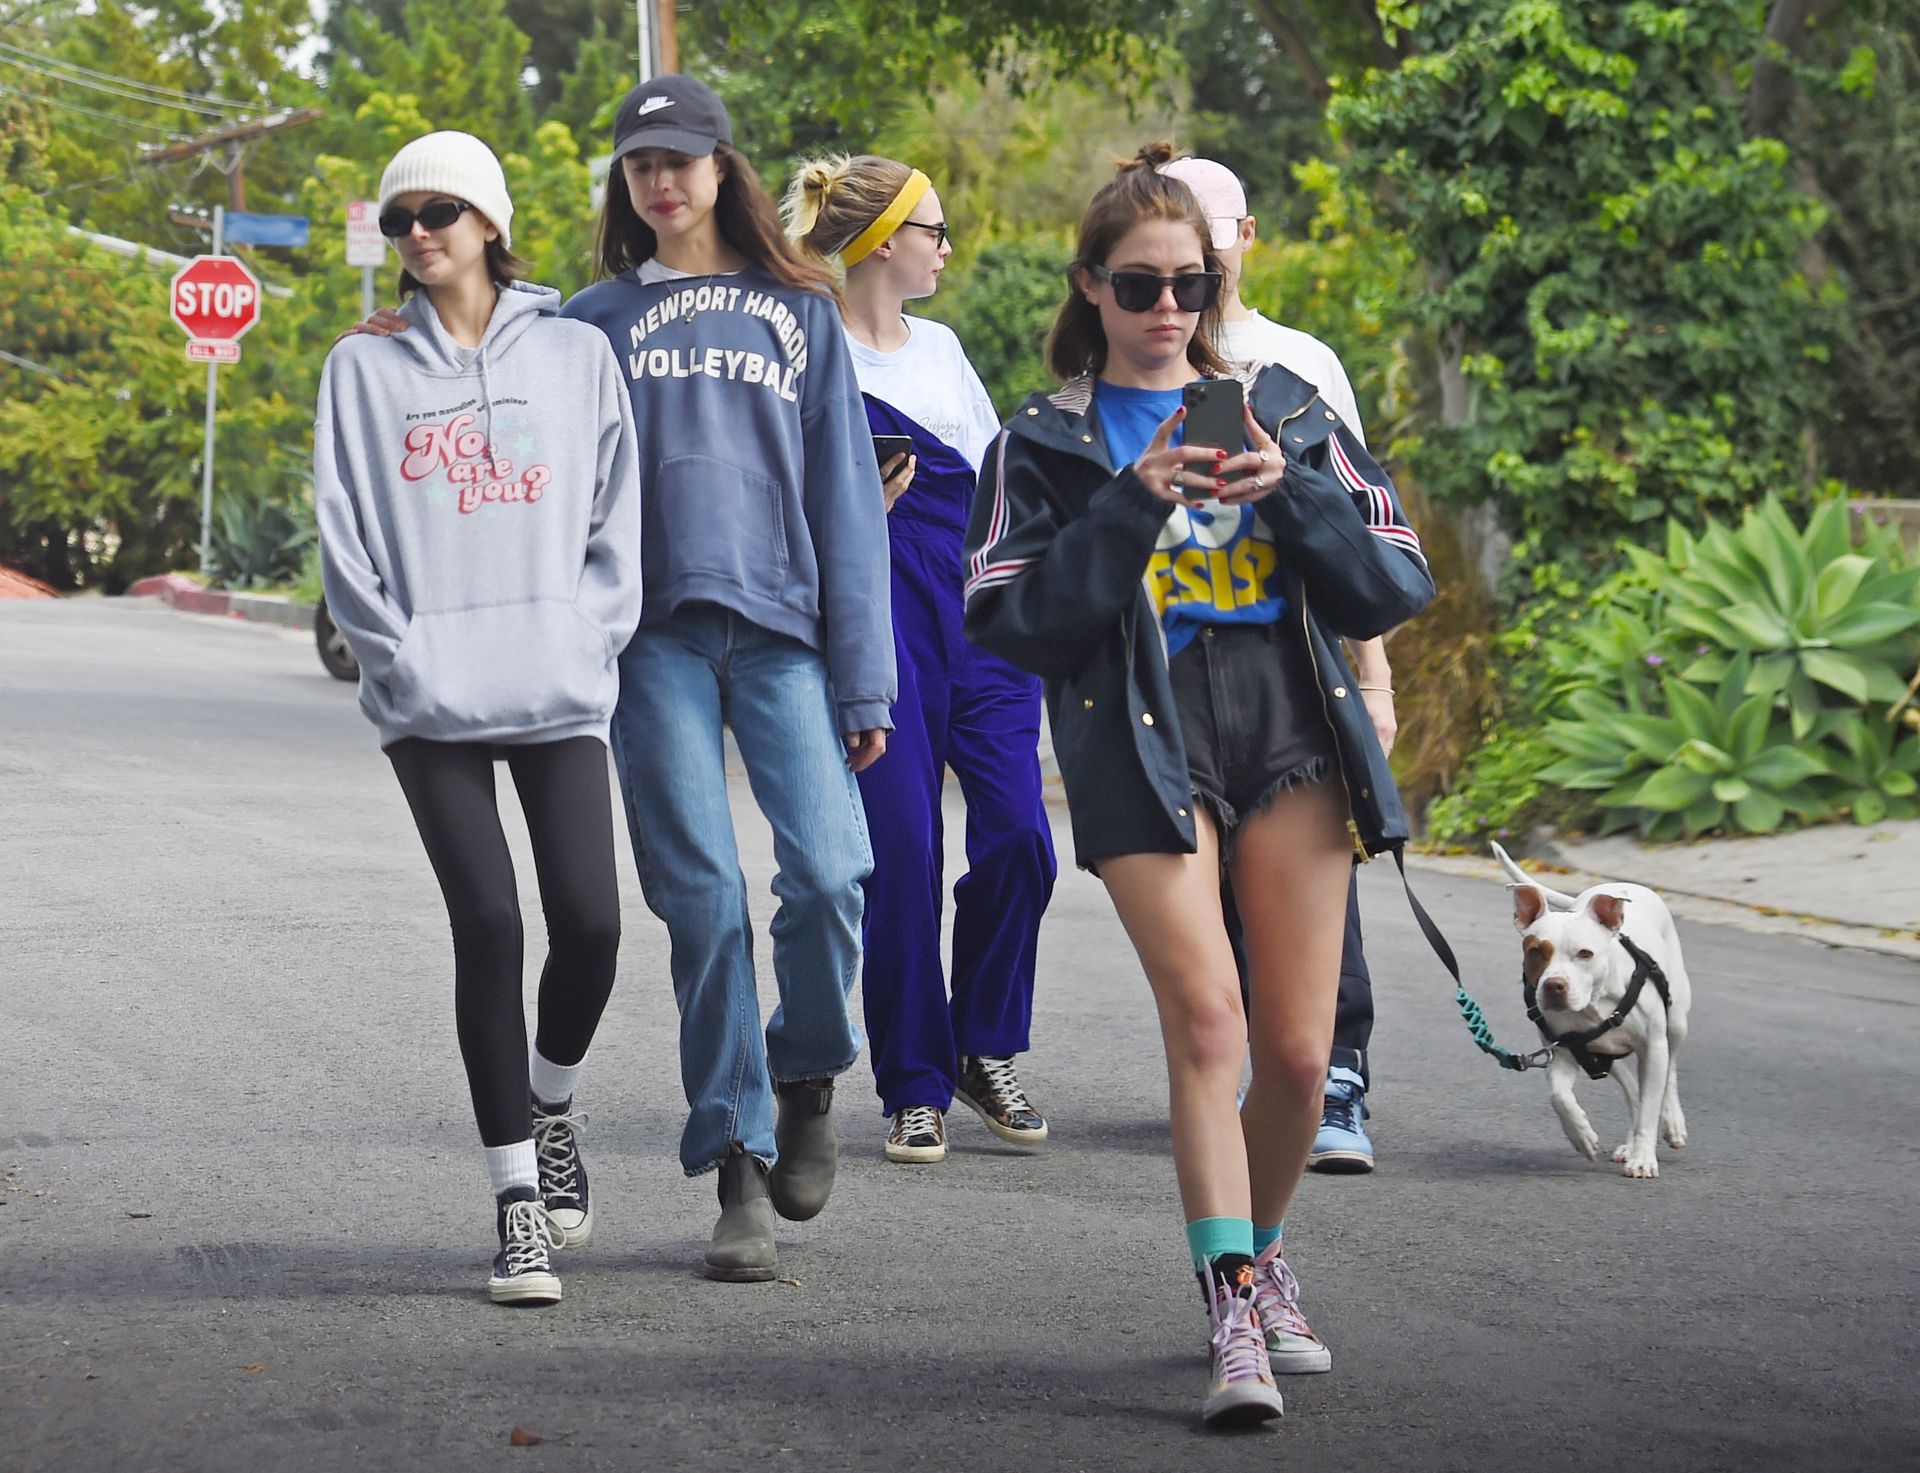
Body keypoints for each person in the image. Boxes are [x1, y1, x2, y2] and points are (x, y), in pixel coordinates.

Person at [960, 145, 1431, 1426]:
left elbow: (1395, 581)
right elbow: (1011, 623)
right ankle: (1232, 1311)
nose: (1167, 307)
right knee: (1209, 1026)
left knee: (1298, 1054)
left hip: (1290, 730)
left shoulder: (1284, 407)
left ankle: (1262, 1258)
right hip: (1140, 742)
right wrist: (1131, 503)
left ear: (1218, 284)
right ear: (1091, 287)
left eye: (1191, 284)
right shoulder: (1043, 441)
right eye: (1138, 285)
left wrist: (1296, 497)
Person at [560, 77, 894, 1282]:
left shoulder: (799, 310)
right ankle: (737, 1162)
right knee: (701, 901)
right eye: (640, 163)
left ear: (720, 167)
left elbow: (846, 496)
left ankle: (806, 1072)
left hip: (783, 632)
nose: (661, 180)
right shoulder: (590, 324)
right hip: (650, 638)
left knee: (833, 872)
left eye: (680, 159)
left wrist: (865, 681)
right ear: (624, 181)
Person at [313, 130, 644, 1306]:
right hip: (431, 698)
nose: (418, 234)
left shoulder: (575, 355)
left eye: (440, 211)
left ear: (491, 221)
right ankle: (517, 1205)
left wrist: (588, 634)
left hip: (556, 681)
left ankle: (551, 1103)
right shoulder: (361, 368)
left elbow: (615, 512)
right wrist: (399, 659)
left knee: (592, 925)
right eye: (400, 218)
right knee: (491, 924)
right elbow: (343, 528)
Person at [784, 154, 1058, 1165]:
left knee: (1022, 836)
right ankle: (913, 1083)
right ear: (880, 242)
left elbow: (998, 481)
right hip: (877, 607)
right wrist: (850, 509)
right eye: (932, 229)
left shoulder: (941, 349)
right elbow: (780, 494)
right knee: (901, 851)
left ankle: (983, 1045)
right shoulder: (807, 348)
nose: (946, 246)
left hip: (980, 608)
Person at [1162, 155, 1391, 1174]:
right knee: (1210, 894)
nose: (1195, 264)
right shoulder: (1133, 364)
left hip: (1298, 668)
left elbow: (1358, 538)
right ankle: (1237, 1071)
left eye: (1210, 237)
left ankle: (1335, 1071)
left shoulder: (1301, 364)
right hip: (1179, 681)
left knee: (1315, 880)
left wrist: (1376, 682)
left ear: (1246, 237)